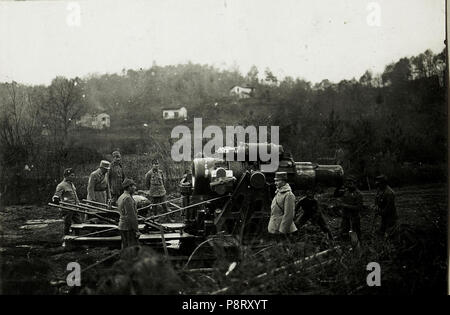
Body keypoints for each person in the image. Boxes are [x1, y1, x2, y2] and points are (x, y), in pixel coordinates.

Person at [268, 172, 297, 241]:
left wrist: (282, 231)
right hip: (276, 227)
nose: (275, 183)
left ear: (284, 181)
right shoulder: (279, 192)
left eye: (278, 181)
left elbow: (289, 215)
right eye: (275, 180)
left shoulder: (289, 195)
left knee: (284, 248)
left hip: (283, 230)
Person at [52, 168, 82, 235]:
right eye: (71, 175)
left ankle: (77, 237)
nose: (73, 177)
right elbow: (56, 195)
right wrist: (56, 199)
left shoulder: (72, 184)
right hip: (67, 209)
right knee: (67, 224)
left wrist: (78, 203)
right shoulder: (61, 185)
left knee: (79, 223)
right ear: (66, 176)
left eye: (73, 175)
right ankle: (66, 238)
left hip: (75, 207)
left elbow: (75, 195)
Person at [337, 175, 363, 242]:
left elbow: (359, 207)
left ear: (354, 183)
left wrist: (346, 206)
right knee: (344, 231)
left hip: (354, 217)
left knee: (355, 233)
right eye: (348, 183)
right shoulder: (346, 192)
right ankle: (345, 246)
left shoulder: (358, 194)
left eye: (351, 183)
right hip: (345, 216)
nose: (349, 185)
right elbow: (338, 196)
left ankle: (357, 247)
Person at [117, 178, 140, 249]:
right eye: (133, 186)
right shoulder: (128, 198)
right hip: (128, 228)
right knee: (132, 249)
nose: (135, 188)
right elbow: (131, 216)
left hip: (123, 226)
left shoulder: (121, 196)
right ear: (129, 187)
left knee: (125, 247)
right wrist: (136, 230)